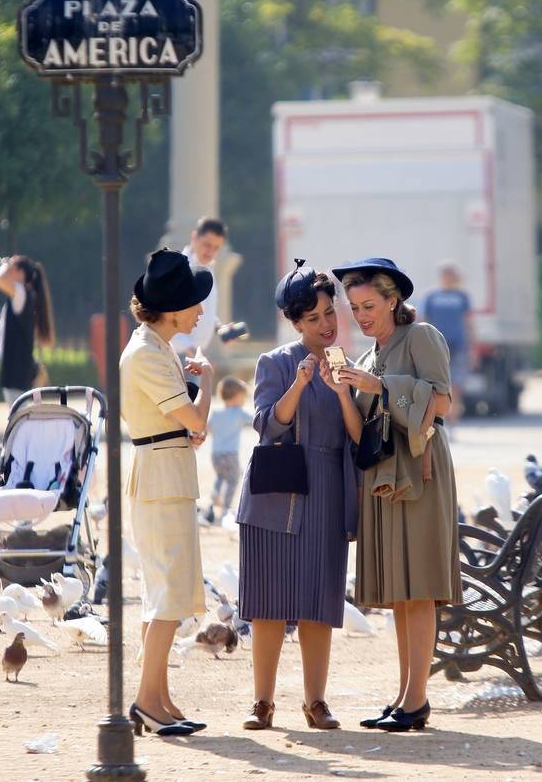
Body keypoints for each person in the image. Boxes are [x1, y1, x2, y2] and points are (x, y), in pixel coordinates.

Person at [331, 257, 462, 733]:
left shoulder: (421, 336)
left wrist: (381, 385)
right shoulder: (368, 355)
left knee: (420, 588)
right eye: (354, 307)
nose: (361, 315)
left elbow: (443, 401)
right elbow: (362, 430)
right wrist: (345, 391)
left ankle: (416, 701)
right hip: (385, 477)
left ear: (393, 301)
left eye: (369, 305)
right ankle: (407, 697)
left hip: (421, 472)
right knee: (402, 592)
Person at [237, 260, 361, 732]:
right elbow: (267, 425)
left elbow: (357, 436)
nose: (327, 325)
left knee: (318, 603)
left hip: (328, 489)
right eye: (314, 319)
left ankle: (316, 703)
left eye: (330, 313)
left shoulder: (347, 365)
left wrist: (342, 391)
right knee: (267, 603)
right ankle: (261, 703)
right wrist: (301, 383)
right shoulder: (275, 362)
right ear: (295, 323)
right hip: (275, 492)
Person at [120, 248, 214, 738]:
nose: (200, 309)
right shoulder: (146, 352)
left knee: (164, 594)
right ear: (173, 307)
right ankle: (146, 702)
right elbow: (196, 419)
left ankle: (158, 698)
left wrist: (190, 422)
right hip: (160, 477)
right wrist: (210, 383)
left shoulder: (156, 348)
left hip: (165, 468)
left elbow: (186, 426)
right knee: (167, 597)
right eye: (195, 301)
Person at [0, 255, 55, 405]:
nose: (7, 271)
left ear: (20, 273)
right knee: (19, 415)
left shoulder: (21, 292)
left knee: (18, 417)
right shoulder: (23, 294)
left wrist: (5, 264)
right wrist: (10, 265)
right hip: (17, 367)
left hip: (16, 368)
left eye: (12, 268)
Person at [420, 260, 476, 426]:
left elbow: (468, 322)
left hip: (458, 346)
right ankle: (437, 420)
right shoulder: (431, 296)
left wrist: (473, 347)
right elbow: (423, 321)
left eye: (451, 275)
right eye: (446, 275)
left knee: (456, 386)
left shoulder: (462, 296)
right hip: (436, 347)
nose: (448, 278)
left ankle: (453, 423)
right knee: (436, 386)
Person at [171, 216, 227, 360]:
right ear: (194, 237)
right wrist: (190, 350)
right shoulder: (180, 269)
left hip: (195, 354)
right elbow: (169, 314)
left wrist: (219, 328)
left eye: (216, 247)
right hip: (180, 354)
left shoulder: (208, 268)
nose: (210, 251)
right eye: (207, 244)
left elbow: (203, 310)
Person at [207, 376, 252, 521]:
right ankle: (226, 507)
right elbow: (255, 421)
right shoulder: (239, 413)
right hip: (230, 454)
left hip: (216, 454)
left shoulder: (216, 413)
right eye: (242, 398)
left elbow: (208, 429)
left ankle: (215, 493)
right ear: (236, 397)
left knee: (220, 476)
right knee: (233, 479)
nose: (243, 401)